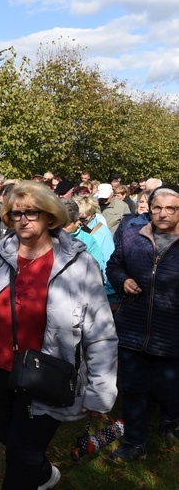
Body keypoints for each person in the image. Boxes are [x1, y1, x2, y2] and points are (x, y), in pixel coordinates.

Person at [0, 180, 118, 489]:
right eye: (15, 213)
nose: (22, 219)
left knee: (21, 457)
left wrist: (100, 390)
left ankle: (30, 474)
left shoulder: (80, 265)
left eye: (31, 212)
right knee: (7, 437)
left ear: (50, 216)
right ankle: (44, 474)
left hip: (46, 376)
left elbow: (101, 332)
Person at [106, 185, 179, 464]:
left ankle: (171, 417)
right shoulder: (131, 236)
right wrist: (122, 280)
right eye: (157, 207)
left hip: (171, 333)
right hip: (132, 330)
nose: (162, 213)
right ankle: (134, 442)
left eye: (170, 208)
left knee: (167, 389)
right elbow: (113, 265)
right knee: (134, 389)